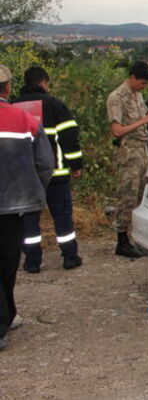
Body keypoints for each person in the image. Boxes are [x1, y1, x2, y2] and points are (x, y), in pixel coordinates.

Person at [0, 64, 54, 351]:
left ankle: (5, 319)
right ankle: (6, 316)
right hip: (14, 205)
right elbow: (45, 165)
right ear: (7, 89)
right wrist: (34, 192)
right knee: (8, 262)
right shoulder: (25, 119)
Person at [13, 66, 84, 273]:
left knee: (29, 219)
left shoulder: (12, 107)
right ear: (44, 82)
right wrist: (76, 165)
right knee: (62, 216)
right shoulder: (55, 105)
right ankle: (70, 257)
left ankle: (32, 262)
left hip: (25, 176)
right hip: (56, 174)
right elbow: (69, 138)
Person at [106, 61, 148, 258]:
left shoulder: (137, 95)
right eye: (142, 83)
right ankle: (121, 240)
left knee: (142, 194)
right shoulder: (117, 97)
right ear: (132, 77)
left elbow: (139, 121)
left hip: (142, 149)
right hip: (129, 150)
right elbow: (117, 131)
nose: (144, 88)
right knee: (128, 194)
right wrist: (145, 120)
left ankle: (137, 236)